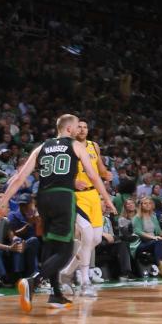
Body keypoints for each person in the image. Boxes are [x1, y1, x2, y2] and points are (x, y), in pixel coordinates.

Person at [0, 114, 115, 312]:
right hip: (63, 197)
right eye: (76, 127)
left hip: (42, 199)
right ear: (70, 129)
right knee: (64, 252)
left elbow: (20, 177)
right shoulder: (76, 145)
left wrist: (3, 203)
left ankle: (56, 294)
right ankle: (33, 282)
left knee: (52, 246)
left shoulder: (41, 147)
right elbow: (93, 175)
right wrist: (107, 199)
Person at [60, 120, 110, 296]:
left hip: (93, 195)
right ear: (73, 130)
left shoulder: (93, 146)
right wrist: (72, 181)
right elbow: (60, 172)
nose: (82, 129)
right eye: (79, 127)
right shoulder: (68, 147)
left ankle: (66, 274)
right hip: (76, 196)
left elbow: (101, 169)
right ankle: (84, 282)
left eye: (85, 127)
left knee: (95, 240)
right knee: (87, 237)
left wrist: (106, 174)